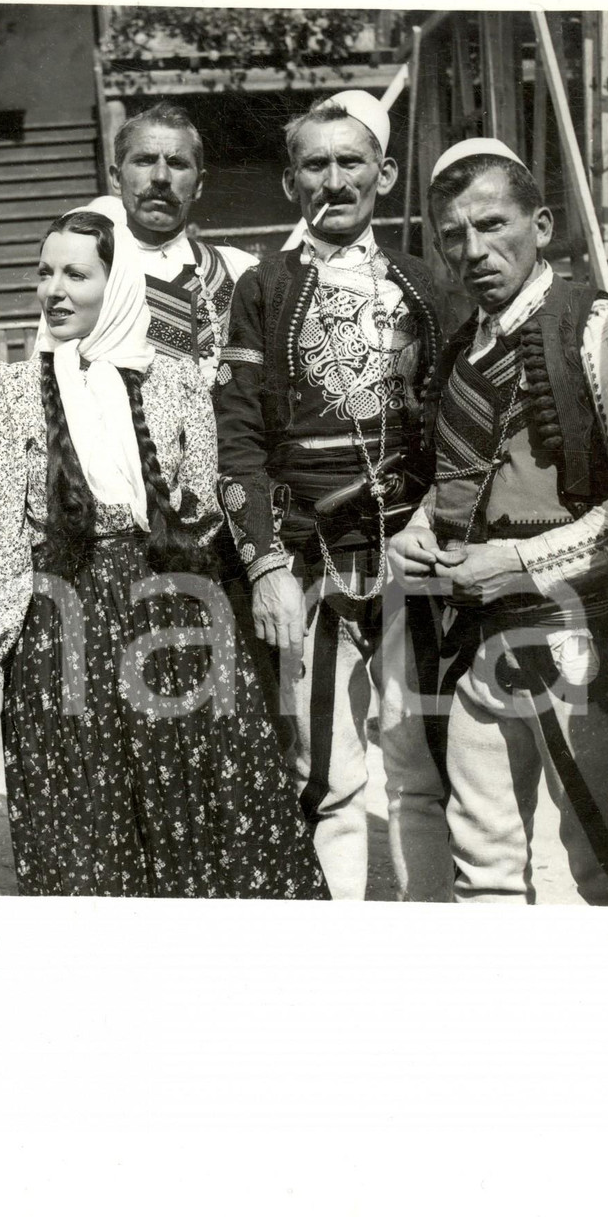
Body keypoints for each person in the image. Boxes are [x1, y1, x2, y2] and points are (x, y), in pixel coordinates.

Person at [0, 196, 328, 900]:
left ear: (116, 286)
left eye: (76, 276)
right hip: (65, 630)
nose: (54, 291)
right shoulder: (6, 395)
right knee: (89, 831)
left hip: (178, 622)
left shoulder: (175, 380)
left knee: (212, 824)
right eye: (44, 273)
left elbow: (211, 507)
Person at [213, 91, 452, 901]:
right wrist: (265, 566)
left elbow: (457, 430)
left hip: (410, 556)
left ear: (383, 173)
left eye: (352, 162)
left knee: (420, 769)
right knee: (327, 774)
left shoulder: (427, 286)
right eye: (315, 164)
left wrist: (432, 525)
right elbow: (236, 435)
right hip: (307, 553)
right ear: (291, 183)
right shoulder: (264, 287)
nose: (334, 180)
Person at [388, 139, 608, 906]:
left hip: (579, 642)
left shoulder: (602, 333)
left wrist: (520, 564)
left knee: (607, 862)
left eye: (493, 225)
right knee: (483, 869)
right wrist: (418, 529)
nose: (474, 251)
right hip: (477, 646)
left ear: (544, 224)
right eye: (454, 236)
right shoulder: (463, 348)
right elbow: (456, 483)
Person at [110, 102, 258, 387]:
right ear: (117, 178)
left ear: (199, 184)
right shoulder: (90, 274)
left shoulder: (239, 269)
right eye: (144, 160)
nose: (161, 177)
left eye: (177, 164)